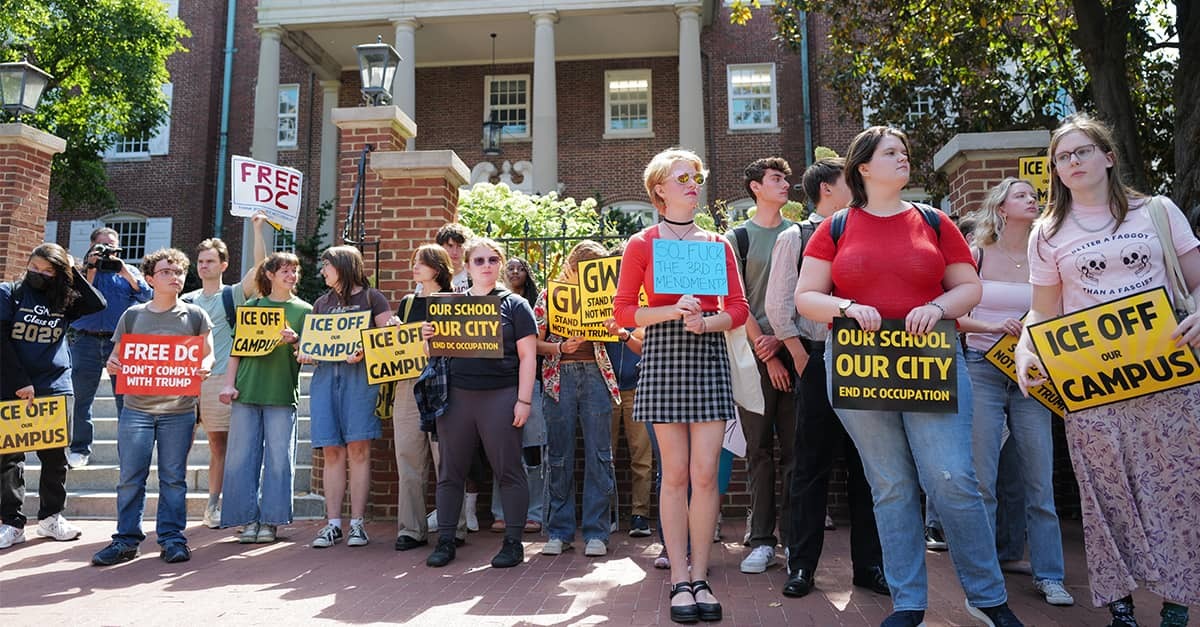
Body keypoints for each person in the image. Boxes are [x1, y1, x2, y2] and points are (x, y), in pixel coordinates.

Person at [794, 126, 1022, 627]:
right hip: (859, 364)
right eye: (890, 153)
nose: (903, 159)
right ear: (864, 167)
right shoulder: (833, 227)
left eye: (905, 152)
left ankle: (986, 597)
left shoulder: (935, 221)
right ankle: (909, 603)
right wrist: (847, 305)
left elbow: (969, 287)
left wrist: (938, 305)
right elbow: (806, 297)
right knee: (890, 485)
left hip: (932, 361)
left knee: (953, 479)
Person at [1015, 114, 1200, 627]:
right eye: (1063, 156)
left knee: (1176, 486)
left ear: (1108, 157)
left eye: (1082, 152)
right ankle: (1119, 603)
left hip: (1170, 376)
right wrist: (1027, 351)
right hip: (1094, 382)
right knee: (1102, 490)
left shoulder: (1158, 211)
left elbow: (1197, 280)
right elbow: (1044, 311)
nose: (1072, 162)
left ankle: (1176, 603)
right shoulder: (1046, 232)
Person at [614, 148, 749, 624]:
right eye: (683, 178)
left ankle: (700, 574)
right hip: (664, 355)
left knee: (706, 474)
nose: (693, 184)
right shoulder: (641, 243)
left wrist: (709, 324)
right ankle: (678, 580)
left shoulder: (718, 242)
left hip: (707, 352)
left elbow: (739, 307)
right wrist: (672, 311)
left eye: (696, 176)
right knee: (674, 475)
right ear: (659, 192)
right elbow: (624, 312)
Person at [765, 157, 887, 598]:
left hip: (871, 362)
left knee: (868, 466)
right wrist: (800, 357)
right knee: (810, 468)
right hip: (817, 358)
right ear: (827, 190)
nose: (858, 188)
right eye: (849, 182)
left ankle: (870, 565)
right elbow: (779, 305)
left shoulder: (870, 231)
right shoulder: (794, 236)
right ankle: (801, 566)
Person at [954, 178, 1074, 606]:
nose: (1033, 200)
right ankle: (985, 581)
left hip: (1034, 376)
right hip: (982, 368)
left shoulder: (1047, 253)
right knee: (982, 480)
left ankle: (1050, 575)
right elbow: (950, 313)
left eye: (1033, 195)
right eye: (1022, 195)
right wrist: (992, 326)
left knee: (1039, 480)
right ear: (1001, 207)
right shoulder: (978, 253)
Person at [92, 248, 214, 566]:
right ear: (150, 278)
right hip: (137, 410)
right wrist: (114, 363)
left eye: (178, 272)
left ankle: (172, 538)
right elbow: (116, 356)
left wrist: (205, 366)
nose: (174, 277)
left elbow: (208, 353)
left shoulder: (195, 315)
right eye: (166, 272)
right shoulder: (133, 315)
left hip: (179, 411)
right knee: (131, 476)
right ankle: (126, 540)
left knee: (174, 478)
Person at [423, 238, 537, 570]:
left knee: (509, 470)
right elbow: (434, 356)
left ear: (500, 264)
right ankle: (445, 540)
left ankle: (513, 542)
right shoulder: (451, 303)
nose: (486, 265)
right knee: (450, 472)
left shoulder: (515, 304)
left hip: (501, 395)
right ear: (467, 266)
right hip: (456, 396)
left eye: (492, 260)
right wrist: (428, 337)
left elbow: (528, 356)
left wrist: (524, 400)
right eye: (479, 260)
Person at [0, 244, 106, 549]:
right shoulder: (10, 293)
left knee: (56, 455)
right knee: (9, 457)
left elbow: (96, 303)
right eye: (35, 267)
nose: (39, 274)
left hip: (55, 383)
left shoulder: (63, 297)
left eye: (48, 270)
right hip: (15, 383)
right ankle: (12, 522)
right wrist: (20, 382)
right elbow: (2, 341)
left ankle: (50, 518)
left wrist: (73, 271)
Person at [727, 157, 798, 575]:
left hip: (794, 349)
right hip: (754, 354)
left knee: (795, 449)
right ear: (756, 187)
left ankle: (792, 538)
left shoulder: (799, 233)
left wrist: (783, 347)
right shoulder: (737, 237)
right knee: (757, 450)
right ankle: (761, 539)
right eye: (776, 179)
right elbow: (733, 299)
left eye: (786, 178)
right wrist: (764, 348)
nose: (785, 183)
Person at [299, 245, 391, 549]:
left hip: (359, 380)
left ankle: (357, 524)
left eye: (327, 265)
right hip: (326, 380)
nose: (323, 271)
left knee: (359, 449)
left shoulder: (371, 298)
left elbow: (387, 340)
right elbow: (313, 347)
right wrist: (301, 350)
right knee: (331, 451)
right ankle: (333, 523)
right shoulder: (321, 304)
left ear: (344, 266)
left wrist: (366, 350)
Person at [218, 252, 311, 544]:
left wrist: (295, 340)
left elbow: (309, 356)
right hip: (246, 391)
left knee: (279, 460)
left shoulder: (305, 310)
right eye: (285, 270)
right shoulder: (252, 306)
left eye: (294, 271)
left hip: (281, 393)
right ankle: (246, 521)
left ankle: (271, 522)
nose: (291, 276)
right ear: (269, 274)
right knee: (240, 458)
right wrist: (228, 385)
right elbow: (236, 351)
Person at [535, 240, 620, 558]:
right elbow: (534, 342)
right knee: (559, 455)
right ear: (572, 266)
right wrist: (560, 348)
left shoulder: (604, 297)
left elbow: (622, 329)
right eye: (584, 269)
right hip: (560, 379)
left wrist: (614, 326)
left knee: (599, 454)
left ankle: (597, 531)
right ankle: (560, 530)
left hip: (596, 376)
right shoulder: (549, 295)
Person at [184, 213, 268, 528]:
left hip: (222, 377)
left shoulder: (232, 294)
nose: (203, 265)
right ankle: (193, 505)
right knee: (190, 446)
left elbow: (262, 270)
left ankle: (220, 505)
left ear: (223, 265)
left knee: (224, 444)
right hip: (188, 381)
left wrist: (257, 229)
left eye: (210, 261)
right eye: (200, 261)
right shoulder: (186, 300)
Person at [68, 227, 152, 468]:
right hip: (86, 340)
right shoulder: (82, 273)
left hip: (121, 342)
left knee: (125, 400)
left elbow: (146, 297)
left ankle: (128, 451)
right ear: (92, 247)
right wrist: (92, 269)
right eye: (102, 247)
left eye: (112, 247)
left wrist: (124, 270)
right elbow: (79, 300)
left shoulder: (129, 272)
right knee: (82, 397)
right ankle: (79, 448)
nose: (107, 252)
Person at [391, 244, 455, 551]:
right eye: (414, 261)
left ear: (438, 267)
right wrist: (393, 332)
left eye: (421, 262)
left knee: (447, 458)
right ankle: (411, 528)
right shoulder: (406, 303)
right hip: (408, 382)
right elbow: (395, 347)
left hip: (445, 382)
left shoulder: (455, 301)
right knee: (408, 455)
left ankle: (453, 526)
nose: (414, 266)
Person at [491, 256, 546, 535]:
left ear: (528, 273)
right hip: (498, 385)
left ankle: (534, 512)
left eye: (520, 267)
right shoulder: (491, 301)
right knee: (502, 452)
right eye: (509, 267)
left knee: (532, 451)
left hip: (531, 385)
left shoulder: (537, 305)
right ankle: (501, 512)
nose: (514, 271)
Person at [436, 222, 475, 294]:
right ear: (440, 247)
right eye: (450, 246)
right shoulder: (432, 275)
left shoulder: (475, 274)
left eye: (460, 246)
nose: (455, 252)